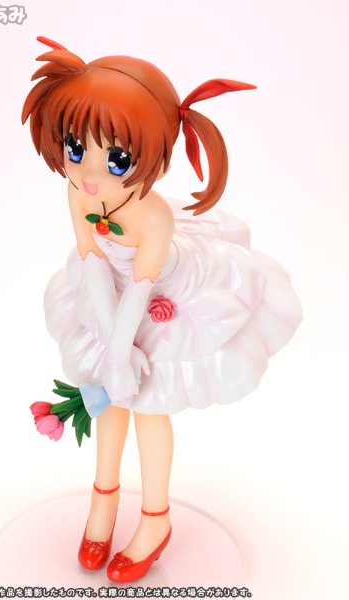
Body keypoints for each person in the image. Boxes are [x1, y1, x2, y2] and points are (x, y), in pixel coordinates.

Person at [22, 36, 302, 583]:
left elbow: (139, 288)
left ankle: (155, 518)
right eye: (75, 148)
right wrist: (112, 353)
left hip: (161, 295)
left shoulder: (153, 219)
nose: (89, 173)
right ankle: (103, 501)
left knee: (149, 406)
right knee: (107, 401)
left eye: (116, 158)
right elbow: (93, 265)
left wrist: (125, 353)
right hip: (108, 295)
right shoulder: (80, 193)